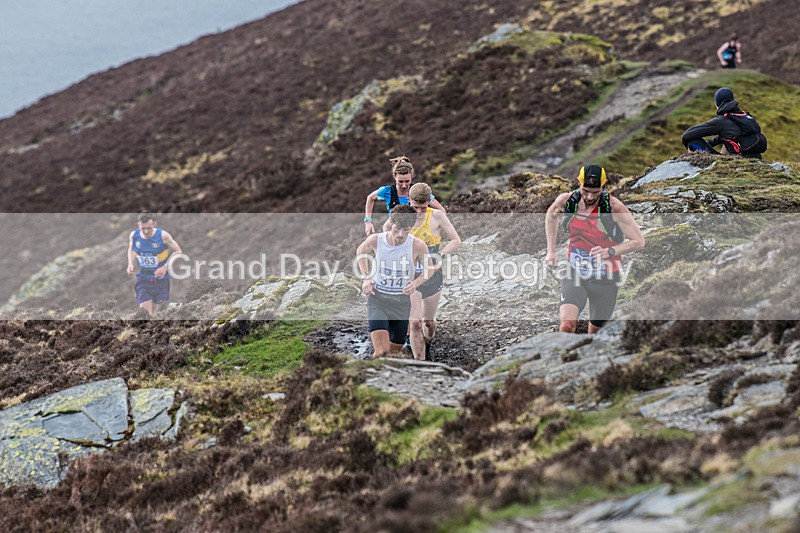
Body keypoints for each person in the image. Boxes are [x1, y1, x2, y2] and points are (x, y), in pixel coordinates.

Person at [545, 165, 645, 334]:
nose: (590, 197)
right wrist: (551, 251)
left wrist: (610, 251)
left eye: (596, 192)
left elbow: (639, 241)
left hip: (606, 279)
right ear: (578, 183)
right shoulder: (566, 201)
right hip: (575, 273)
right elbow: (550, 215)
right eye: (585, 191)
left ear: (604, 186)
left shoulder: (613, 207)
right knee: (566, 326)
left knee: (595, 334)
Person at [356, 205, 432, 358]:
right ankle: (366, 378)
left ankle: (371, 370)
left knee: (392, 353)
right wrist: (366, 277)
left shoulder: (417, 245)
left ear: (412, 227)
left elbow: (429, 269)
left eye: (406, 230)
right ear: (391, 223)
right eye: (397, 229)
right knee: (382, 352)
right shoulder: (376, 240)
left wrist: (415, 284)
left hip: (401, 304)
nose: (400, 234)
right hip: (378, 300)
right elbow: (360, 252)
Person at [407, 183, 461, 359]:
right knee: (414, 323)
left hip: (432, 273)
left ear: (429, 203)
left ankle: (427, 342)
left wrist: (440, 256)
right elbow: (386, 232)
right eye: (415, 208)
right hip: (410, 275)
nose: (419, 212)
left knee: (427, 322)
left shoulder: (437, 216)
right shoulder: (402, 216)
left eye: (423, 208)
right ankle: (419, 359)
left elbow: (455, 240)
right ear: (409, 201)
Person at [363, 155, 445, 236]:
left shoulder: (419, 191)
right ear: (394, 176)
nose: (404, 185)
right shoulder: (387, 191)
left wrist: (436, 227)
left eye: (407, 181)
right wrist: (368, 221)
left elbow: (441, 210)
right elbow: (370, 198)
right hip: (395, 232)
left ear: (412, 177)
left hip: (417, 233)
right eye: (400, 181)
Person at [681, 87, 767, 159]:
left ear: (717, 104)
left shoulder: (721, 121)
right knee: (727, 139)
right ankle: (723, 158)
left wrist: (690, 147)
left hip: (737, 160)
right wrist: (708, 144)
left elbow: (687, 135)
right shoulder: (744, 116)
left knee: (693, 142)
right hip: (755, 157)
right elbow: (726, 136)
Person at [127, 213, 182, 315]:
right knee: (146, 313)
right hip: (143, 278)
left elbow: (178, 251)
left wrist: (165, 266)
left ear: (154, 224)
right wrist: (130, 264)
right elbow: (131, 250)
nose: (146, 231)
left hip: (161, 279)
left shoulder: (162, 235)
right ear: (138, 224)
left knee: (160, 313)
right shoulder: (134, 236)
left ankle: (177, 308)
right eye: (143, 228)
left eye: (149, 228)